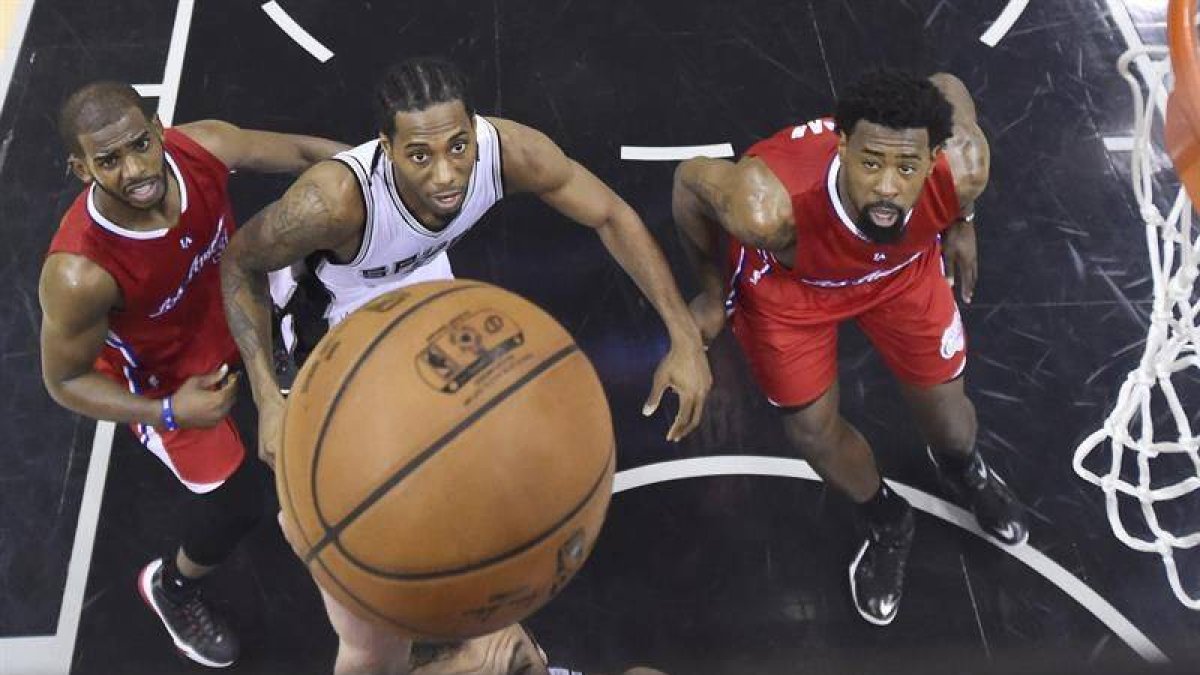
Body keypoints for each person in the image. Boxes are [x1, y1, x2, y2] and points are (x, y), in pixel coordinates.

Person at [221, 57, 710, 674]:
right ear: (387, 148)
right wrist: (269, 399)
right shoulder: (333, 203)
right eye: (421, 156)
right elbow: (239, 264)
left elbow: (609, 213)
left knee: (472, 461)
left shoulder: (507, 153)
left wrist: (683, 335)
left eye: (458, 146)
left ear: (474, 129)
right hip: (335, 324)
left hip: (426, 290)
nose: (448, 173)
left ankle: (463, 597)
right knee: (351, 500)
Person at [671, 69, 1029, 627]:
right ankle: (886, 518)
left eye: (907, 167)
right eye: (870, 163)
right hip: (794, 291)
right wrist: (712, 293)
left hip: (902, 274)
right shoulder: (765, 206)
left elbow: (948, 83)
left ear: (934, 154)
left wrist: (962, 222)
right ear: (841, 144)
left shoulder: (965, 168)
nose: (887, 186)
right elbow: (688, 183)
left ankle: (962, 468)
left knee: (951, 419)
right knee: (812, 430)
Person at [39, 81, 348, 667]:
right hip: (164, 384)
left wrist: (378, 176)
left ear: (158, 128)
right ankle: (172, 585)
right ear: (81, 169)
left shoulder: (203, 146)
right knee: (239, 503)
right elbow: (65, 382)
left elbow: (308, 154)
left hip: (239, 317)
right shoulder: (80, 272)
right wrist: (169, 411)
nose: (135, 170)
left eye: (139, 144)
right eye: (109, 160)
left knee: (326, 266)